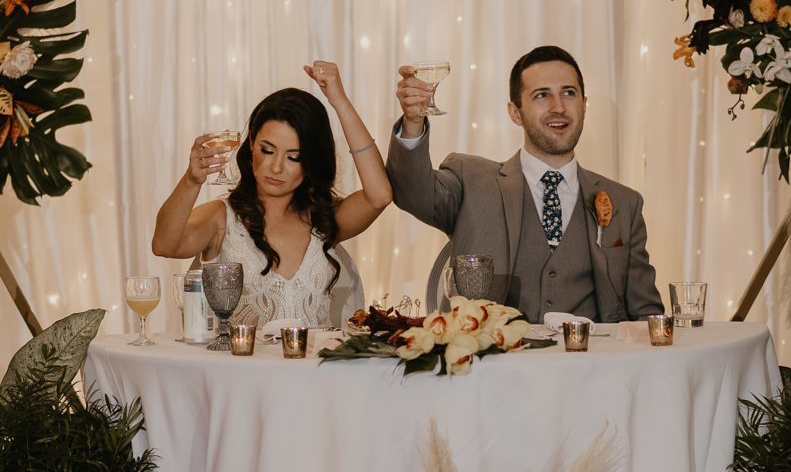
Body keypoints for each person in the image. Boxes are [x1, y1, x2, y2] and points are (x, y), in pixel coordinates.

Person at [388, 44, 663, 323]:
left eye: (569, 93)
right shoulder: (470, 179)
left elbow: (647, 316)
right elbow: (411, 193)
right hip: (494, 363)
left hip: (591, 362)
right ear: (515, 113)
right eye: (542, 95)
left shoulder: (625, 203)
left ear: (584, 105)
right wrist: (413, 121)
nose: (559, 107)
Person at [152, 62, 392, 328]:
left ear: (311, 160)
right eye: (267, 150)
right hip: (240, 368)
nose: (276, 167)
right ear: (252, 143)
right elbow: (164, 245)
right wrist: (191, 180)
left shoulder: (324, 219)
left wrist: (341, 104)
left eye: (294, 156)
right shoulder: (222, 218)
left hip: (314, 368)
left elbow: (379, 195)